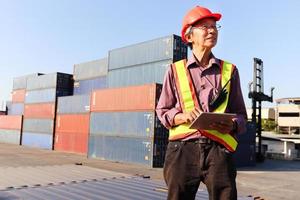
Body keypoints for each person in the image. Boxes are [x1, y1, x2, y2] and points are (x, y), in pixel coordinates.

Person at [156, 5, 247, 200]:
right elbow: (162, 110)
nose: (212, 30)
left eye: (214, 26)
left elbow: (241, 114)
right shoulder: (174, 71)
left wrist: (232, 124)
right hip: (182, 150)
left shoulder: (230, 71)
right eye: (205, 26)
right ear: (189, 37)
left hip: (219, 150)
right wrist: (183, 116)